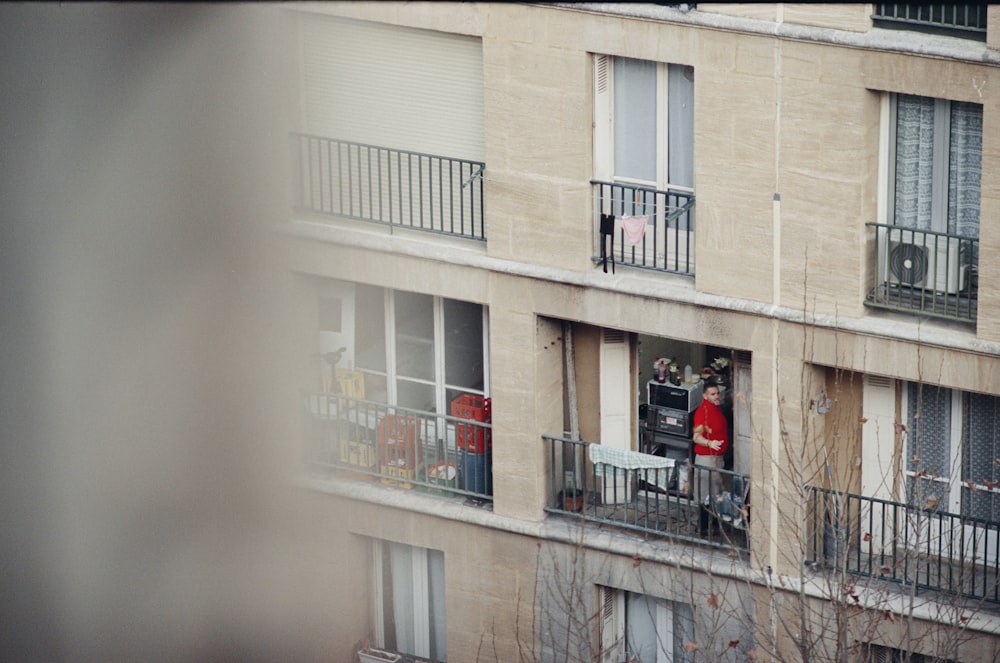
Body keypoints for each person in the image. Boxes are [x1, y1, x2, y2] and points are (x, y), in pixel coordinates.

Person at [692, 380, 729, 530]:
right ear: (705, 396)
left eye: (717, 393)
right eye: (712, 394)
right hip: (707, 459)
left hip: (717, 459)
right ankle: (703, 527)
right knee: (705, 495)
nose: (716, 396)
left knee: (714, 494)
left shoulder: (716, 409)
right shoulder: (703, 412)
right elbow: (696, 437)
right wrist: (709, 443)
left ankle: (712, 525)